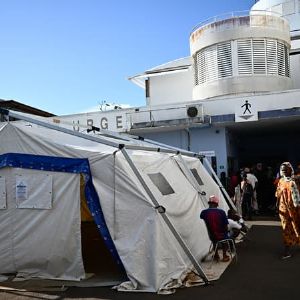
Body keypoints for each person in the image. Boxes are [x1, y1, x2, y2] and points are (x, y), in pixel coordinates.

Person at [275, 162, 300, 259]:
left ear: (290, 170)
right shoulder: (281, 181)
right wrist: (277, 204)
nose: (284, 171)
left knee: (296, 226)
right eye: (283, 170)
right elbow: (278, 193)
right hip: (284, 209)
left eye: (286, 170)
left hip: (294, 209)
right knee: (286, 228)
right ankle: (287, 250)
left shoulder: (295, 181)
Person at [200, 195, 230, 262]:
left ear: (209, 203)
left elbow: (201, 217)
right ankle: (224, 256)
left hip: (212, 236)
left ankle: (216, 255)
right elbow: (226, 226)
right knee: (226, 237)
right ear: (217, 204)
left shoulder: (204, 212)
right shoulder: (221, 212)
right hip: (221, 235)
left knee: (214, 240)